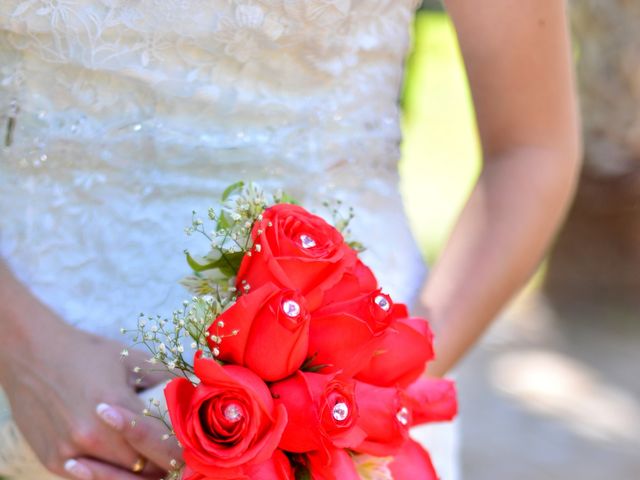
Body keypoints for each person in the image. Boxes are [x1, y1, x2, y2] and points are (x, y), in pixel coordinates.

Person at [0, 0, 580, 479]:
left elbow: (532, 148)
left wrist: (347, 408)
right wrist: (24, 353)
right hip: (28, 383)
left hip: (342, 423)